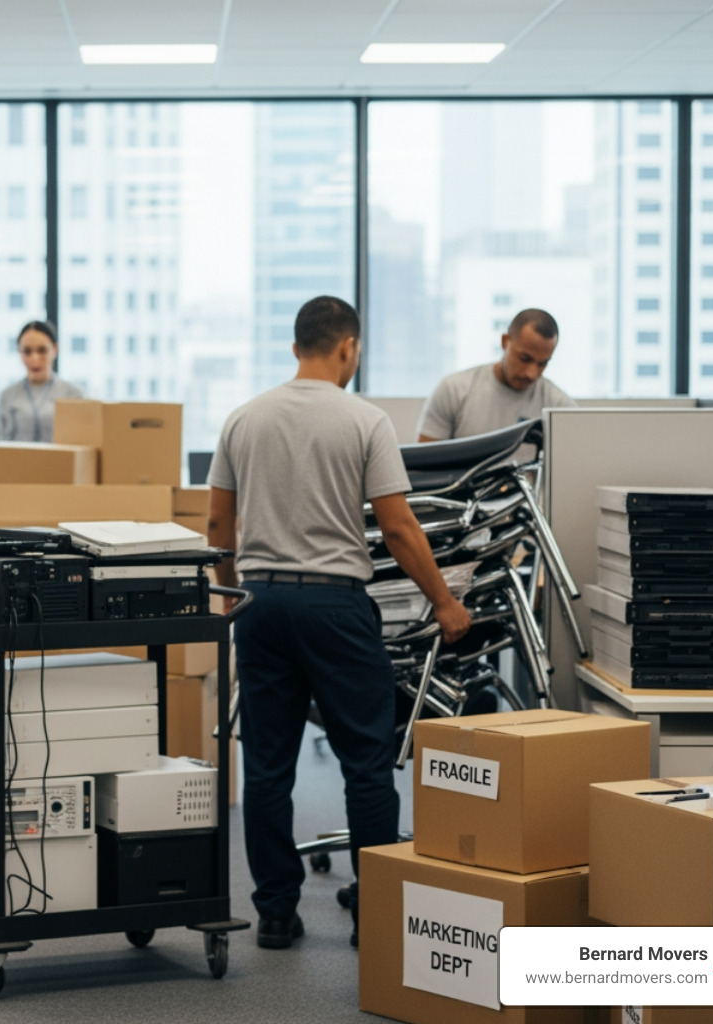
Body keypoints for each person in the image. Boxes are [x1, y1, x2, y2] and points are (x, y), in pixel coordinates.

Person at [207, 295, 471, 951]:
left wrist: (231, 594)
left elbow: (217, 527)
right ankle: (375, 911)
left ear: (297, 345)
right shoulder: (366, 420)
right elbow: (398, 527)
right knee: (366, 761)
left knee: (267, 767)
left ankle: (274, 913)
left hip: (261, 604)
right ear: (347, 346)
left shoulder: (244, 418)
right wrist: (443, 601)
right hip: (335, 605)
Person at [416, 307, 577, 442]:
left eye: (542, 363)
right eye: (524, 358)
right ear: (505, 341)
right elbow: (424, 466)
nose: (531, 373)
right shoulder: (453, 390)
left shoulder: (559, 407)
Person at [0, 320, 83, 442]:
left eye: (42, 350)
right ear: (19, 352)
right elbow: (1, 443)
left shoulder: (72, 394)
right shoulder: (8, 396)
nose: (35, 358)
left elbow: (80, 440)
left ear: (55, 349)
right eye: (27, 351)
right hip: (18, 460)